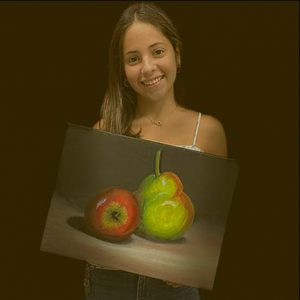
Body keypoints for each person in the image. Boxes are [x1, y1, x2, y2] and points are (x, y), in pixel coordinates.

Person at [86, 2, 227, 299]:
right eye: (133, 58)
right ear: (123, 71)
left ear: (177, 53)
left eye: (158, 52)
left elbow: (213, 225)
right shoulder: (102, 130)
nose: (148, 67)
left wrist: (190, 263)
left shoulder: (209, 132)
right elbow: (94, 219)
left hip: (176, 290)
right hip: (109, 285)